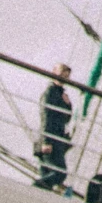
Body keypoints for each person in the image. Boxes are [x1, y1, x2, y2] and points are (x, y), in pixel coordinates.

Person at [35, 63, 73, 192]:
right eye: (62, 74)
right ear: (54, 73)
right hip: (51, 140)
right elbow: (46, 116)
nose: (64, 78)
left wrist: (68, 105)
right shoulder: (50, 92)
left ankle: (38, 191)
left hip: (57, 140)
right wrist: (46, 141)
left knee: (47, 178)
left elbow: (66, 119)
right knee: (60, 173)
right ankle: (35, 186)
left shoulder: (61, 95)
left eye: (66, 76)